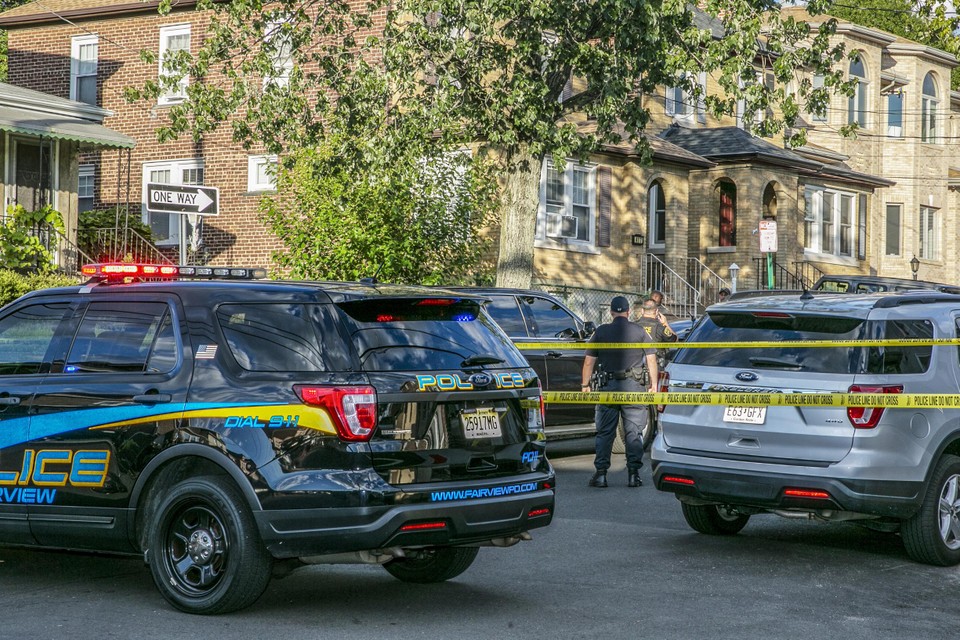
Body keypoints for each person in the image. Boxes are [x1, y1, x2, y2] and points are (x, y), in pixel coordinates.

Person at [581, 296, 659, 488]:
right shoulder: (640, 331)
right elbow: (651, 359)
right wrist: (654, 385)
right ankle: (633, 475)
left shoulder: (601, 332)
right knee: (633, 432)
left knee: (605, 432)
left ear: (611, 312)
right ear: (628, 312)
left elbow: (589, 361)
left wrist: (585, 385)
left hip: (608, 386)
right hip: (634, 387)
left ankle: (601, 475)